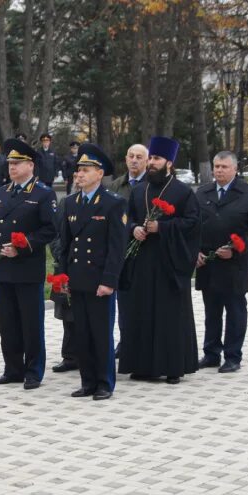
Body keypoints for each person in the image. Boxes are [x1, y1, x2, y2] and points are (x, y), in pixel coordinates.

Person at [118, 136, 200, 384]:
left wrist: (162, 228)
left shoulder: (183, 192)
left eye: (156, 159)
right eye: (151, 158)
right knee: (140, 312)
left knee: (168, 316)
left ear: (169, 163)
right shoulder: (139, 190)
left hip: (169, 265)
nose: (151, 163)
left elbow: (193, 224)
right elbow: (126, 218)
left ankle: (173, 367)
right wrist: (134, 229)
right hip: (141, 264)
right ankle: (141, 366)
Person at [0, 139, 58, 390]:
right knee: (8, 322)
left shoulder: (43, 193)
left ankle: (33, 371)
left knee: (30, 322)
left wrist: (23, 245)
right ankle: (12, 369)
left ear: (30, 165)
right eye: (10, 164)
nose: (11, 168)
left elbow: (51, 229)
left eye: (17, 163)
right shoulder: (4, 192)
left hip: (27, 267)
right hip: (4, 268)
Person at [59, 144, 126, 400]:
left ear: (100, 174)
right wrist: (63, 277)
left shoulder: (113, 203)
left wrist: (109, 281)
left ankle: (104, 383)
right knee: (82, 333)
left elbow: (116, 248)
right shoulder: (71, 202)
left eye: (85, 170)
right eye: (78, 170)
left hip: (99, 281)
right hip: (77, 279)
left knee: (100, 333)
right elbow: (65, 245)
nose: (79, 175)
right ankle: (87, 382)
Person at [195, 151, 248, 373]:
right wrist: (194, 251)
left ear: (235, 169)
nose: (219, 170)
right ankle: (211, 353)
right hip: (208, 262)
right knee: (211, 311)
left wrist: (235, 249)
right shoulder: (202, 192)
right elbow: (193, 224)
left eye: (224, 167)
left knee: (235, 310)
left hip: (234, 264)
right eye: (216, 166)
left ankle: (233, 356)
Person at [107, 143, 149, 357]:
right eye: (131, 156)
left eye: (139, 157)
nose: (134, 160)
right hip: (122, 252)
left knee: (145, 302)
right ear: (125, 159)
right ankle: (125, 342)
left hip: (148, 252)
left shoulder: (153, 185)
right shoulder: (116, 186)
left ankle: (144, 344)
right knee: (123, 302)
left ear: (146, 161)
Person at [50, 185, 81, 373]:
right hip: (65, 264)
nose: (81, 177)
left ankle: (88, 354)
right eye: (79, 172)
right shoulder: (65, 203)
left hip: (88, 266)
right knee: (67, 314)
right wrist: (60, 253)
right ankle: (70, 356)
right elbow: (54, 233)